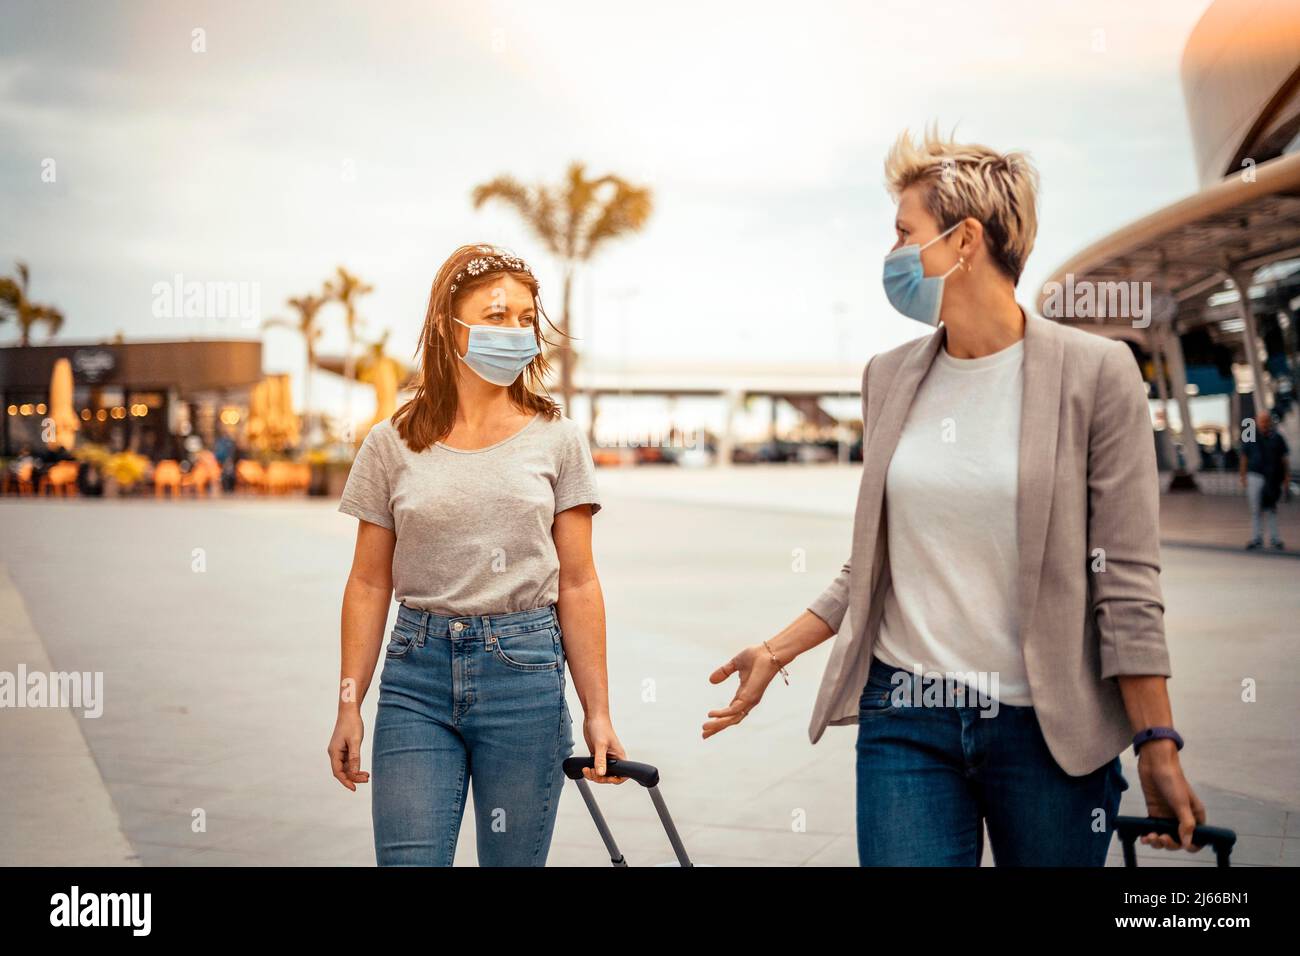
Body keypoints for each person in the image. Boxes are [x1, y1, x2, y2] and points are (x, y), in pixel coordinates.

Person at [705, 128, 1206, 866]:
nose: (893, 255)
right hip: (905, 717)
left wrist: (1156, 739)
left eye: (905, 234)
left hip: (1045, 731)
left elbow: (1124, 576)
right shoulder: (890, 376)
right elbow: (873, 561)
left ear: (964, 240)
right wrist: (776, 651)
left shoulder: (1098, 375)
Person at [328, 243, 627, 866]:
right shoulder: (391, 444)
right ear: (448, 325)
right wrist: (349, 704)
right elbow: (366, 584)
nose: (515, 332)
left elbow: (577, 582)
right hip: (417, 678)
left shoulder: (559, 439)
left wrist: (598, 712)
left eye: (525, 318)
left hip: (525, 678)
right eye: (496, 316)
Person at [1239, 407, 1289, 550]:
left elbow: (1284, 459)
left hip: (1272, 477)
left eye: (1266, 421)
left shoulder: (1277, 438)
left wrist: (1286, 477)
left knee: (1271, 508)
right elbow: (1244, 457)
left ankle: (1275, 539)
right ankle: (1257, 538)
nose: (1264, 424)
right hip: (1254, 475)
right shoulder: (1250, 436)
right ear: (1256, 422)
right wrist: (1243, 476)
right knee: (1256, 509)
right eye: (1262, 421)